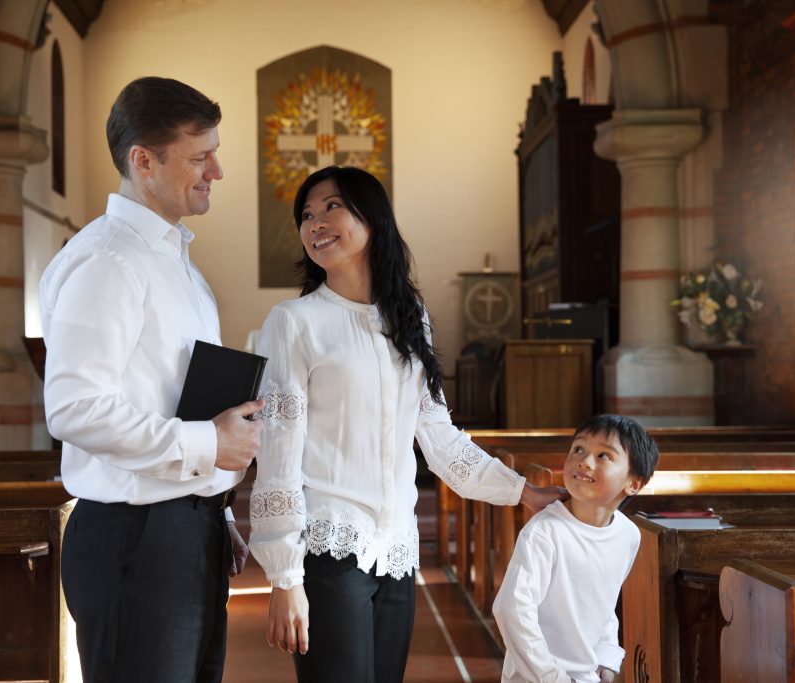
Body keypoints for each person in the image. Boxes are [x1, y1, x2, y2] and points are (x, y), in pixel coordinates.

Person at [247, 165, 567, 683]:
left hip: (396, 547)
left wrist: (523, 493)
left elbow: (437, 435)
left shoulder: (409, 315)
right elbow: (278, 455)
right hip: (331, 545)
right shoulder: (294, 322)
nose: (315, 223)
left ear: (372, 217)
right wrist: (285, 577)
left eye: (331, 206)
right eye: (306, 215)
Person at [40, 76, 263, 683]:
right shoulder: (109, 261)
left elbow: (172, 397)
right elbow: (75, 408)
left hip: (182, 528)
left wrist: (212, 511)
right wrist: (208, 445)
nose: (216, 170)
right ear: (144, 160)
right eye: (200, 156)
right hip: (132, 539)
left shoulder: (176, 264)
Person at [492, 414, 659, 683]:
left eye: (603, 456)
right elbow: (512, 609)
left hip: (587, 676)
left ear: (634, 483)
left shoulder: (627, 535)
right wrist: (552, 676)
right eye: (578, 449)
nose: (584, 460)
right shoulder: (545, 532)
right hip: (536, 677)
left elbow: (604, 605)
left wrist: (607, 658)